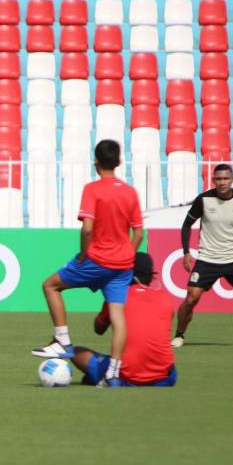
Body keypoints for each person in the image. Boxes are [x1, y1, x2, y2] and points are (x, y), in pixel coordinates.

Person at [33, 139, 144, 388]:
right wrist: (128, 254)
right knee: (117, 316)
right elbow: (138, 233)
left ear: (96, 161)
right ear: (118, 162)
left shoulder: (93, 189)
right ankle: (113, 373)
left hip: (96, 258)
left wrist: (84, 254)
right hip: (122, 265)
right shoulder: (130, 192)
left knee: (50, 286)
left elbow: (87, 228)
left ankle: (62, 340)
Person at [172, 164, 233, 347]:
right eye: (218, 179)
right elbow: (186, 225)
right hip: (208, 258)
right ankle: (179, 335)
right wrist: (186, 252)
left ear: (232, 180)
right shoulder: (203, 200)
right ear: (213, 180)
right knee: (191, 297)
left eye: (226, 178)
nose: (222, 182)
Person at [72, 252, 178, 387]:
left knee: (76, 352)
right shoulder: (166, 298)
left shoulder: (116, 297)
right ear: (150, 276)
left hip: (124, 376)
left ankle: (102, 376)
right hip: (164, 378)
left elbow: (98, 329)